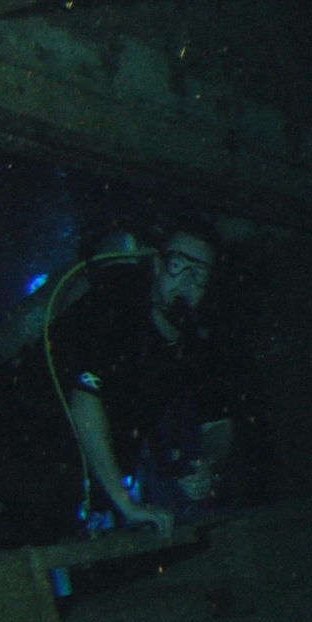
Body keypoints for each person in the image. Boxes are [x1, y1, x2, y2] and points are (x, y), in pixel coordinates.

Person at [54, 224, 237, 534]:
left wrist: (207, 465)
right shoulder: (114, 316)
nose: (186, 282)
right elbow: (84, 402)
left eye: (200, 275)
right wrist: (126, 503)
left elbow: (219, 425)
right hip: (48, 462)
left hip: (103, 482)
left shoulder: (199, 348)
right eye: (177, 266)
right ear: (156, 265)